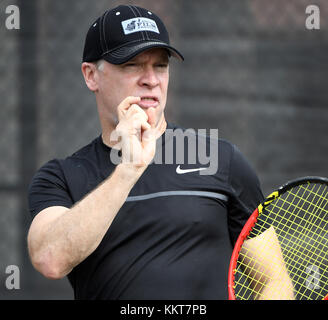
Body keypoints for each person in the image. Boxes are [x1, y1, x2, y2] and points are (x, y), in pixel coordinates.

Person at [27, 5, 264, 299]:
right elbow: (50, 259)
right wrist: (128, 169)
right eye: (132, 65)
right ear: (91, 76)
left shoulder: (218, 158)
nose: (151, 79)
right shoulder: (61, 176)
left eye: (161, 65)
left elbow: (272, 281)